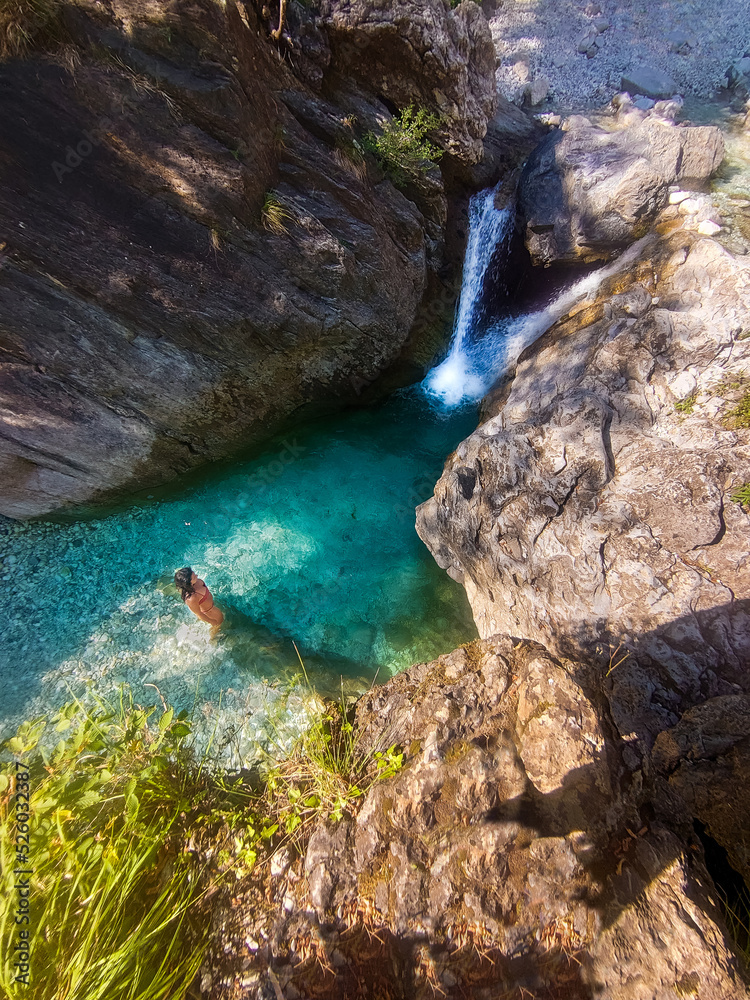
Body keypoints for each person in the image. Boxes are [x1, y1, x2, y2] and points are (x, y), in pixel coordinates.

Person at [174, 566, 224, 632]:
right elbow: (199, 614)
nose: (197, 576)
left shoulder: (197, 581)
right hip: (210, 613)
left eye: (194, 574)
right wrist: (211, 621)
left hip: (212, 606)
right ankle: (213, 637)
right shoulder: (191, 598)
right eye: (194, 577)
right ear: (189, 583)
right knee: (218, 626)